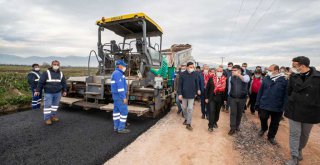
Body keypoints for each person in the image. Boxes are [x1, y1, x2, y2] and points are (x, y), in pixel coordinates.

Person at [284, 56, 320, 165]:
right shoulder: (293, 77)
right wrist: (293, 99)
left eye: (294, 65)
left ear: (302, 65)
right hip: (294, 109)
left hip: (311, 111)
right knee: (294, 134)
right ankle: (294, 157)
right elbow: (289, 91)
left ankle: (299, 149)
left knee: (304, 135)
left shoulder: (318, 78)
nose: (292, 67)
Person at [255, 64, 287, 145]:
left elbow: (286, 94)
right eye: (268, 70)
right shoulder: (266, 78)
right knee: (263, 117)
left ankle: (271, 136)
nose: (268, 72)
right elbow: (260, 91)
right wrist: (257, 102)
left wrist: (284, 106)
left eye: (270, 70)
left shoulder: (284, 80)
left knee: (275, 122)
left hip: (277, 105)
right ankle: (264, 128)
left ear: (276, 71)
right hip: (265, 103)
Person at [34, 60, 67, 125]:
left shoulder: (61, 73)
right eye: (54, 64)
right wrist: (37, 90)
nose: (56, 66)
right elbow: (41, 82)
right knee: (48, 106)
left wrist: (65, 90)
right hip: (48, 93)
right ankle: (47, 119)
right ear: (51, 65)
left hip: (57, 93)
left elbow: (63, 83)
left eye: (57, 65)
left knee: (55, 106)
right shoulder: (46, 72)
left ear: (59, 65)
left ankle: (53, 116)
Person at [227, 65, 250, 135]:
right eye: (232, 70)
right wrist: (229, 96)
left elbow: (246, 80)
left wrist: (239, 75)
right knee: (233, 113)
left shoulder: (246, 76)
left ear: (239, 71)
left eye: (234, 70)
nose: (233, 72)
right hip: (233, 98)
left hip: (242, 99)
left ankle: (237, 126)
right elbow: (229, 88)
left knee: (239, 114)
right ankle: (232, 128)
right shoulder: (231, 78)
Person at [178, 62, 200, 131]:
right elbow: (180, 85)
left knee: (190, 109)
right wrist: (180, 94)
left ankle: (188, 124)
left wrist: (198, 89)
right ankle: (186, 118)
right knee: (184, 108)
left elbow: (197, 83)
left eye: (192, 67)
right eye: (190, 67)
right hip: (184, 95)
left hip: (192, 94)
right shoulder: (182, 74)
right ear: (187, 67)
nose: (192, 68)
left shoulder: (195, 74)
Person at [111, 60, 130, 134]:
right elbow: (120, 87)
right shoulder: (118, 74)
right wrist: (124, 97)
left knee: (116, 112)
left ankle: (116, 127)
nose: (125, 67)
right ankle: (121, 128)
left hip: (116, 96)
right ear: (120, 66)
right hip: (119, 96)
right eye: (124, 66)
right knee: (124, 111)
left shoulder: (116, 73)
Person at [205, 67, 227, 132]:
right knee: (211, 111)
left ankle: (215, 122)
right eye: (218, 71)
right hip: (212, 97)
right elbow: (207, 89)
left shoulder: (225, 79)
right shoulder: (211, 78)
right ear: (216, 72)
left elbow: (226, 90)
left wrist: (225, 99)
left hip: (220, 97)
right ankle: (210, 126)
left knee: (217, 111)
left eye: (220, 71)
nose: (219, 72)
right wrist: (206, 97)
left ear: (222, 72)